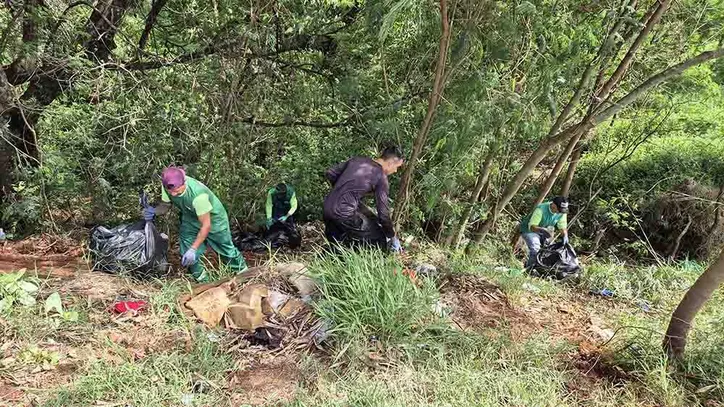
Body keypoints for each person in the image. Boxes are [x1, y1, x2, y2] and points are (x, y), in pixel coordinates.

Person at [143, 167, 247, 282]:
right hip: (190, 218)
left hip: (214, 220)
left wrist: (194, 249)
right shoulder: (167, 185)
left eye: (177, 190)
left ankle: (245, 274)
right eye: (170, 191)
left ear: (184, 183)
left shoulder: (198, 196)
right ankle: (203, 281)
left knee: (226, 249)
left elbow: (206, 226)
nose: (173, 193)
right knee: (185, 250)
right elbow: (166, 206)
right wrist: (154, 211)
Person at [323, 146, 404, 252]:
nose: (396, 171)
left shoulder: (357, 161)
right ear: (390, 163)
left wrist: (343, 190)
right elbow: (383, 214)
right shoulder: (381, 177)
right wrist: (392, 236)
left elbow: (330, 173)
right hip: (345, 214)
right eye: (397, 167)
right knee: (378, 238)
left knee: (338, 245)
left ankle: (327, 261)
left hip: (327, 209)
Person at [520, 196, 570, 270]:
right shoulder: (541, 209)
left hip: (545, 232)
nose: (559, 212)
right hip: (529, 230)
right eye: (559, 209)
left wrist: (565, 236)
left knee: (548, 251)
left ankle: (539, 269)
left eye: (562, 210)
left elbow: (562, 226)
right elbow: (532, 227)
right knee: (535, 249)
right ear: (553, 204)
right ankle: (529, 270)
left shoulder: (562, 213)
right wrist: (542, 230)